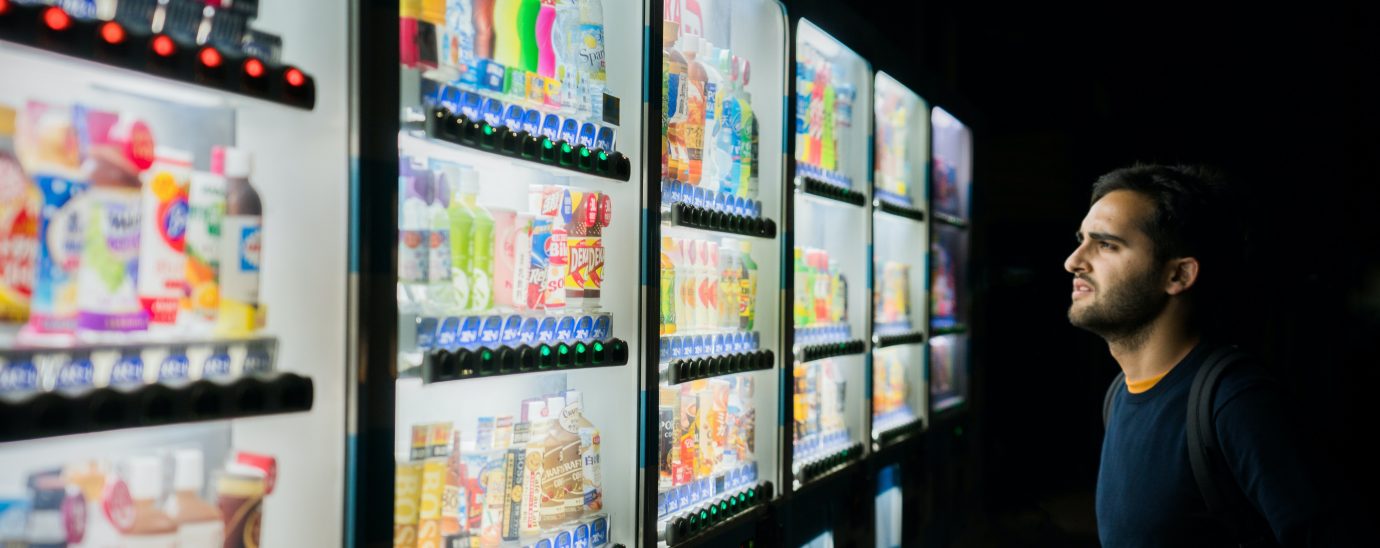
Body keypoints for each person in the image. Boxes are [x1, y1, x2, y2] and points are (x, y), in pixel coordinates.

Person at [1064, 164, 1346, 546]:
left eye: (1107, 244)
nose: (1074, 261)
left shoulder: (1236, 403)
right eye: (1081, 239)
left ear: (1178, 276)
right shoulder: (1120, 394)